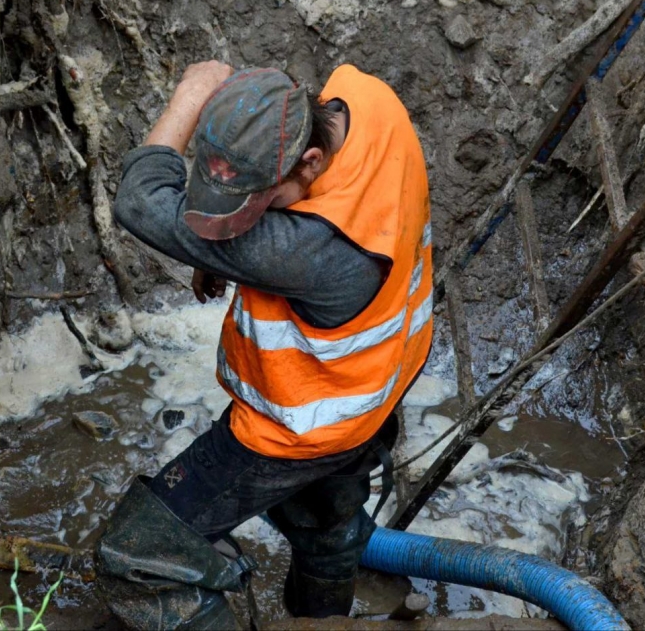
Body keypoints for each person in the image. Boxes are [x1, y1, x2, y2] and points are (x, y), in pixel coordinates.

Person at [97, 60, 433, 629]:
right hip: (374, 387)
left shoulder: (310, 252)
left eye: (251, 206)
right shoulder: (366, 99)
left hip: (294, 429)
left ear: (309, 162)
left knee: (136, 559)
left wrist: (192, 94)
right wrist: (233, 245)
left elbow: (138, 198)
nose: (238, 222)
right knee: (325, 525)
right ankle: (322, 617)